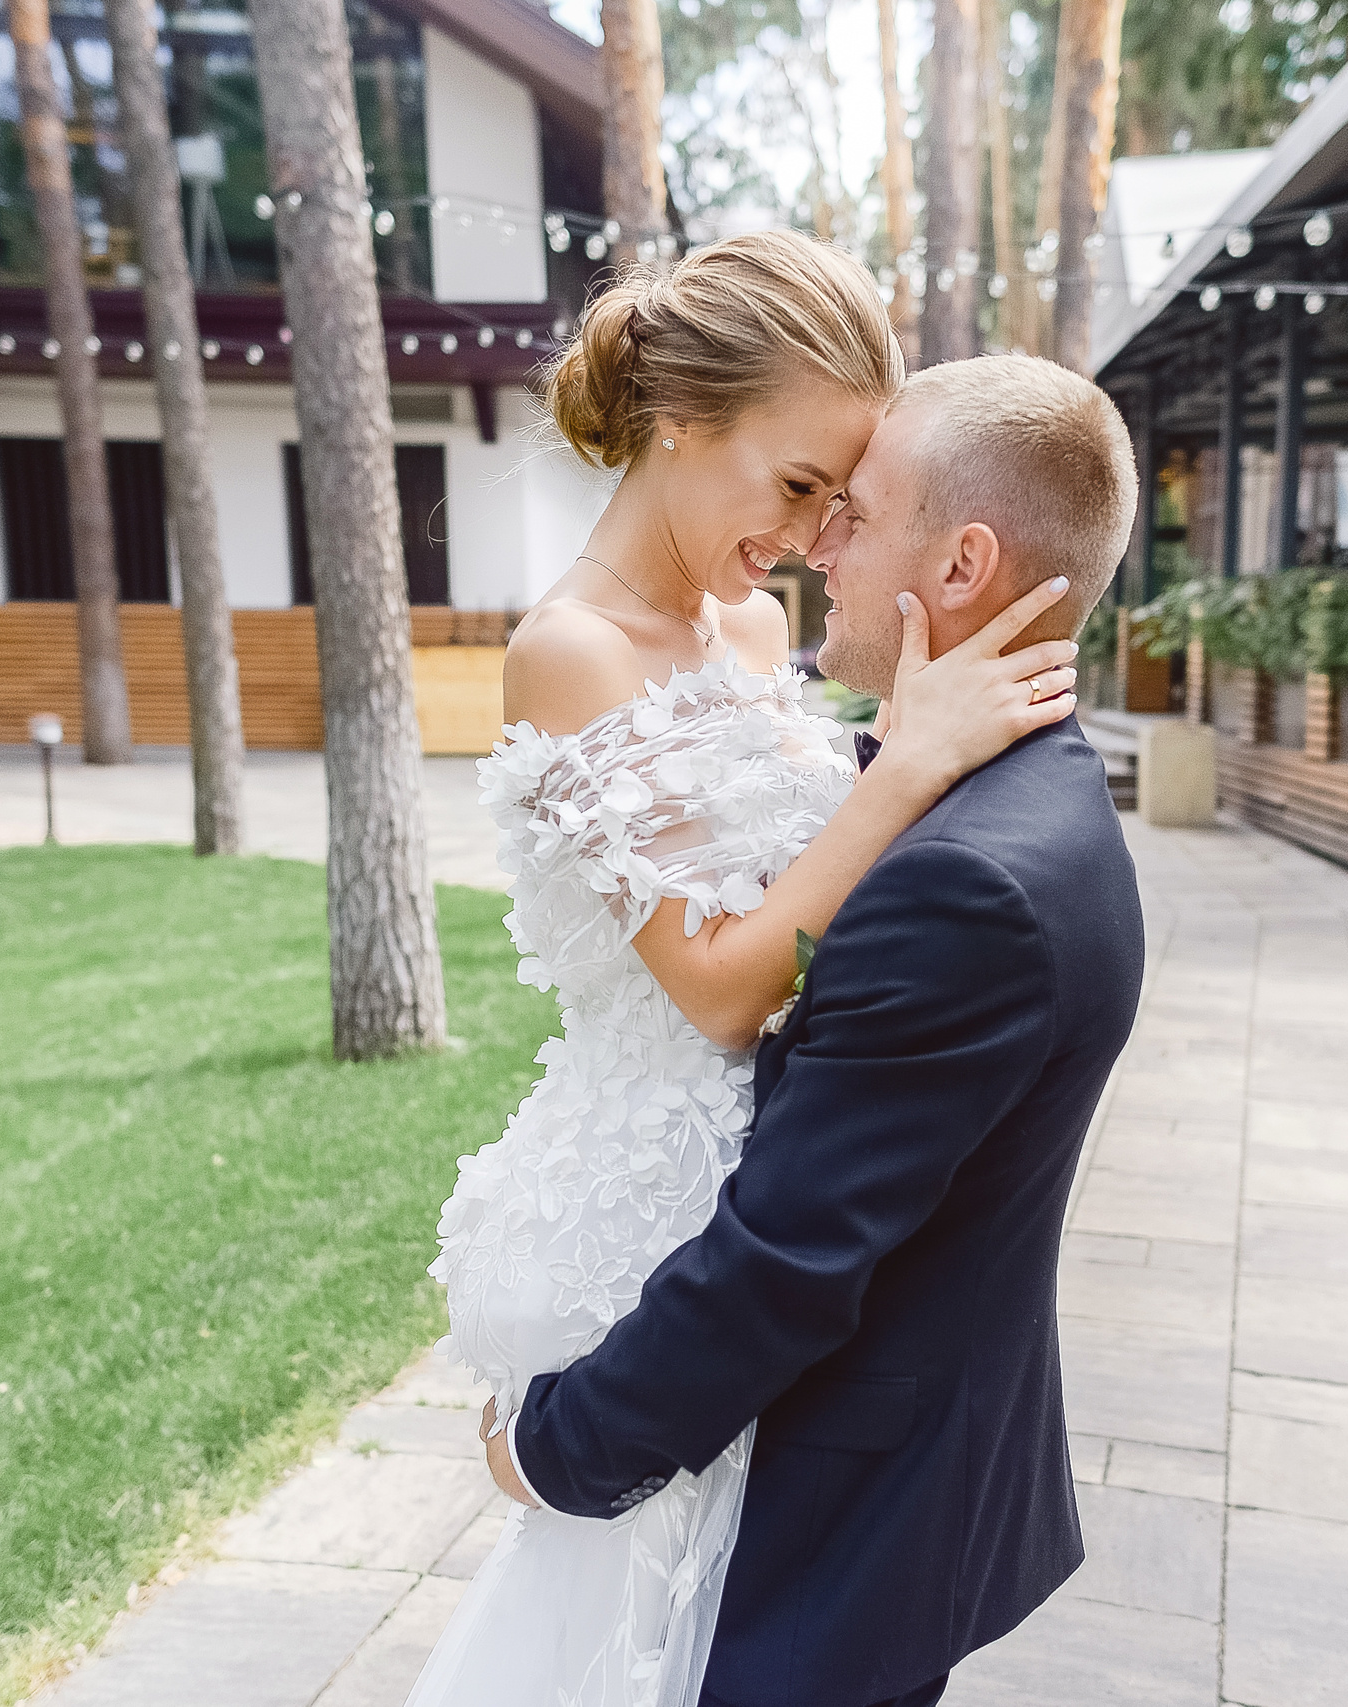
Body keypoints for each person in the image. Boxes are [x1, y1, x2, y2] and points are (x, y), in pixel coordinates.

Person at [410, 235, 1086, 1707]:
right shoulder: (570, 652)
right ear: (675, 424)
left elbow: (794, 865)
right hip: (656, 1199)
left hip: (770, 1160)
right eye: (794, 489)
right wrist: (902, 767)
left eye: (840, 505)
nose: (808, 539)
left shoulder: (753, 621)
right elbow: (718, 982)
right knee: (646, 1630)